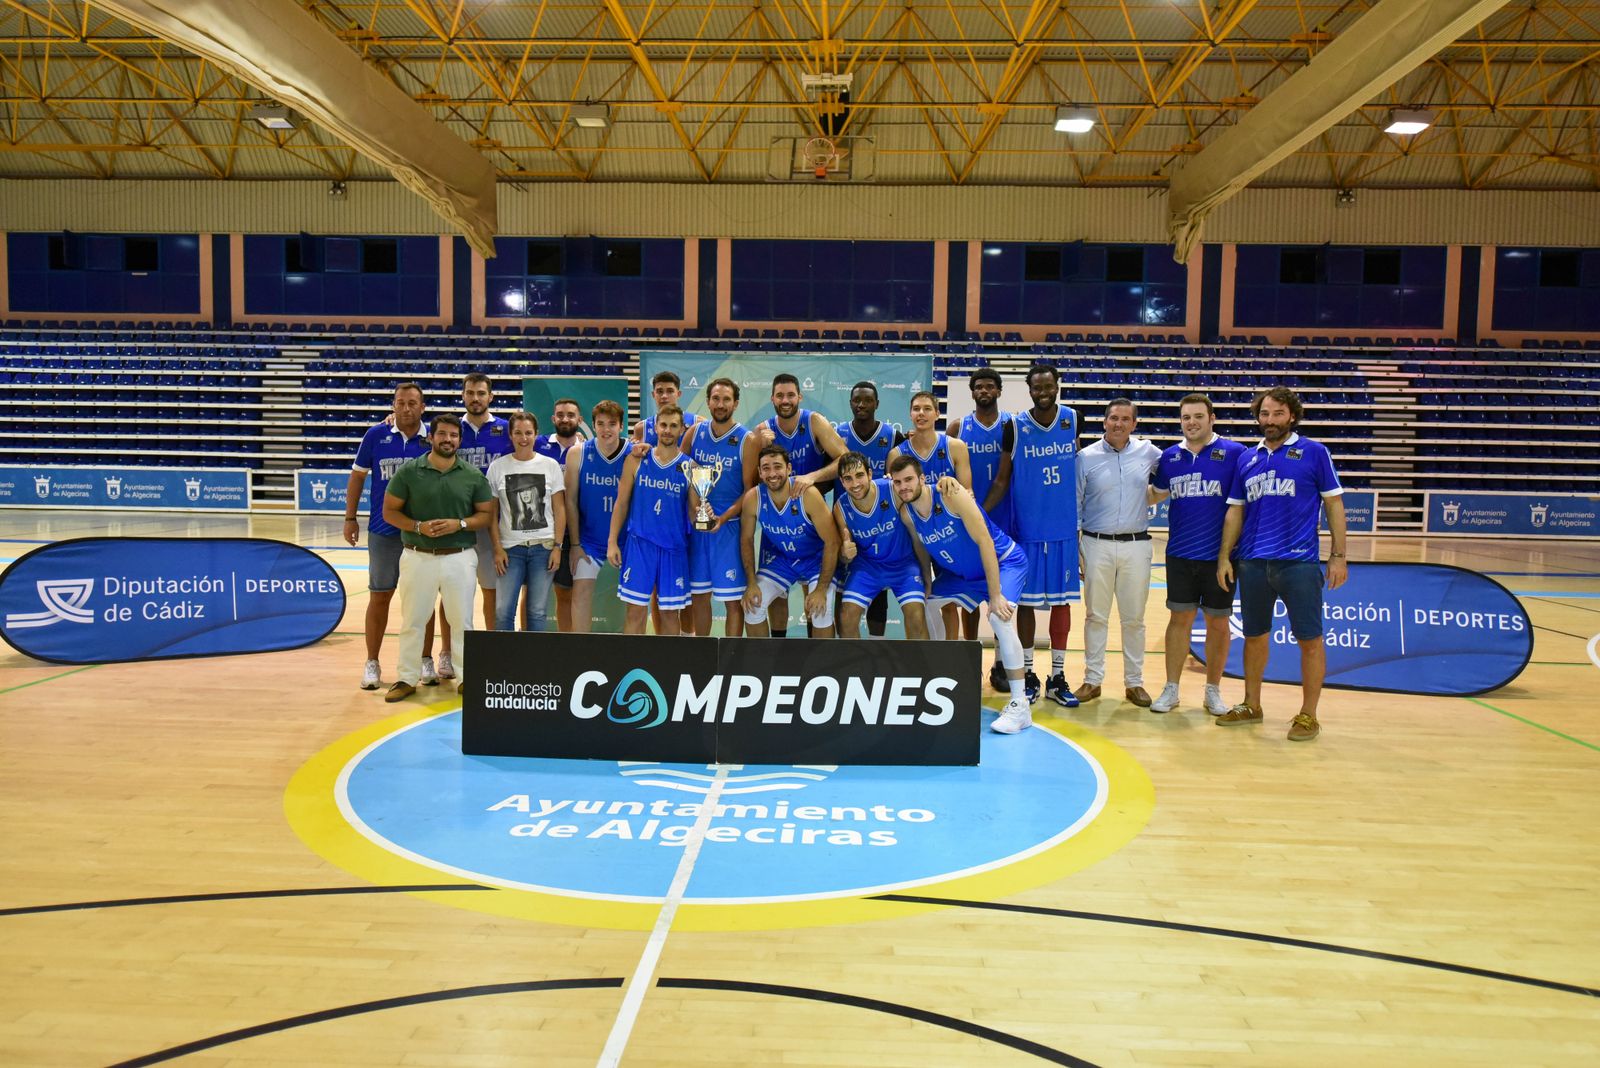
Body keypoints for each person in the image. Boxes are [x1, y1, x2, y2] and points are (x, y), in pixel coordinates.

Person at [1216, 387, 1348, 742]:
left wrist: (1338, 555)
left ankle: (1308, 715)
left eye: (1277, 414)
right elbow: (1235, 511)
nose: (1270, 421)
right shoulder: (1247, 459)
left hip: (1299, 564)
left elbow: (1334, 505)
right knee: (1254, 636)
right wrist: (1225, 556)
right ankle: (1251, 704)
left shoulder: (1315, 453)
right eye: (1264, 414)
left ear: (1292, 415)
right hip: (1254, 563)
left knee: (1310, 639)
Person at [889, 455, 1031, 733]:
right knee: (925, 603)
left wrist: (995, 595)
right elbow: (920, 547)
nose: (903, 486)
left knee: (999, 619)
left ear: (921, 478)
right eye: (897, 482)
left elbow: (985, 542)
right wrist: (927, 582)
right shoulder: (907, 513)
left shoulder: (951, 495)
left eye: (908, 479)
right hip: (965, 576)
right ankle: (942, 672)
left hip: (1004, 563)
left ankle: (1020, 704)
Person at [983, 363, 1081, 708]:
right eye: (1036, 388)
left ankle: (1057, 676)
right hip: (1027, 529)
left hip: (1063, 530)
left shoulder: (1072, 419)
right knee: (1024, 605)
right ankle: (1027, 674)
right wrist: (978, 513)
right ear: (1028, 390)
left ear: (1057, 385)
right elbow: (1001, 479)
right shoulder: (1015, 426)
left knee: (1061, 602)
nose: (1042, 392)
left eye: (1047, 386)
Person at [380, 414, 495, 702]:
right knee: (413, 620)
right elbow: (390, 512)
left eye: (453, 435)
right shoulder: (408, 471)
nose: (448, 439)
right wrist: (418, 527)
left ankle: (467, 678)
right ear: (431, 438)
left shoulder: (472, 475)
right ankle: (406, 678)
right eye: (442, 434)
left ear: (459, 439)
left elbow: (485, 514)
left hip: (459, 556)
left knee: (462, 622)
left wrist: (461, 524)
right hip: (418, 556)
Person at [1148, 394, 1247, 715]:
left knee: (1219, 623)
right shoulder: (1170, 458)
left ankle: (1213, 690)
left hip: (1221, 557)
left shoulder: (1235, 454)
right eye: (1186, 417)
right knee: (1179, 621)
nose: (1191, 422)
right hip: (1179, 554)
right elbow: (1155, 494)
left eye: (1198, 416)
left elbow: (1245, 503)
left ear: (1212, 418)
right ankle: (1171, 689)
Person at [344, 382, 442, 690]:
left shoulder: (432, 438)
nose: (407, 408)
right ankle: (372, 662)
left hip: (421, 533)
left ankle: (426, 659)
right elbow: (358, 476)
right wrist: (350, 518)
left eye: (413, 403)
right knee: (380, 596)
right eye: (401, 402)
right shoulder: (376, 435)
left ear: (422, 407)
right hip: (383, 531)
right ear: (393, 405)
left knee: (423, 600)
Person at [1075, 399, 1162, 707]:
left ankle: (1134, 683)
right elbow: (1075, 504)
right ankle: (1092, 680)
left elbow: (1167, 481)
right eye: (1114, 418)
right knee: (1095, 616)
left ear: (1134, 424)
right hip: (1095, 543)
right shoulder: (1085, 457)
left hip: (1137, 545)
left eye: (1126, 419)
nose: (1119, 423)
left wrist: (1151, 496)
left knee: (1134, 619)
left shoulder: (1149, 452)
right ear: (1105, 421)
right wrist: (1077, 547)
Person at [752, 374, 848, 635]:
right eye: (780, 395)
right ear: (772, 398)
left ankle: (811, 649)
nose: (785, 400)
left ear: (799, 397)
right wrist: (760, 447)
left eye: (790, 395)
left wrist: (812, 477)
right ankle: (780, 647)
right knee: (777, 595)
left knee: (815, 591)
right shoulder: (763, 430)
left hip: (808, 513)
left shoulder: (814, 422)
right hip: (777, 519)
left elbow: (845, 460)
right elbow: (752, 481)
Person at [608, 405, 697, 635]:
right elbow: (621, 503)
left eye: (673, 426)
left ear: (682, 430)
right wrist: (612, 542)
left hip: (673, 549)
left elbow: (694, 514)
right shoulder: (637, 459)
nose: (667, 430)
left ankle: (668, 669)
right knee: (635, 612)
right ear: (655, 427)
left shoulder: (691, 467)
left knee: (669, 615)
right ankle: (632, 667)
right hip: (639, 546)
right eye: (663, 425)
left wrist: (705, 515)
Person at [681, 377, 756, 637]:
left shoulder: (747, 440)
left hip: (729, 529)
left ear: (735, 403)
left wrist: (721, 519)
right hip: (698, 529)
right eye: (715, 398)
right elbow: (683, 473)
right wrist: (695, 512)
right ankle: (703, 654)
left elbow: (749, 491)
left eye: (726, 399)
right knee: (699, 597)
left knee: (732, 602)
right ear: (708, 401)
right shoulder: (694, 433)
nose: (720, 404)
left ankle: (730, 659)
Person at [740, 444, 840, 639]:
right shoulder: (754, 497)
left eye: (777, 466)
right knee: (752, 607)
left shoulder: (807, 494)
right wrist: (751, 582)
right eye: (766, 468)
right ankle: (763, 666)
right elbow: (746, 540)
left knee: (821, 610)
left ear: (789, 468)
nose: (772, 473)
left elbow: (833, 542)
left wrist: (820, 589)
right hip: (783, 560)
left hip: (816, 561)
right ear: (759, 472)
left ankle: (823, 665)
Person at [896, 389, 972, 640]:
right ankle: (925, 661)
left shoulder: (956, 447)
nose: (921, 413)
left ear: (937, 413)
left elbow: (968, 493)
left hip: (947, 536)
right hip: (914, 537)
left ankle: (951, 656)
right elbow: (898, 500)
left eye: (927, 408)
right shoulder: (897, 454)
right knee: (917, 601)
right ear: (909, 414)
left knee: (949, 603)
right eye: (916, 409)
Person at [949, 368, 1015, 650]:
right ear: (972, 392)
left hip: (1004, 520)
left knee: (1004, 593)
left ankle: (1001, 659)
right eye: (979, 387)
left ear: (999, 391)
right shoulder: (957, 428)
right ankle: (969, 652)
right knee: (969, 594)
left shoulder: (1012, 425)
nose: (984, 391)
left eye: (990, 387)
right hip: (969, 524)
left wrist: (981, 514)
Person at [835, 381, 907, 637]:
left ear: (877, 404)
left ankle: (876, 645)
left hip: (882, 520)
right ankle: (843, 650)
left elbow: (901, 479)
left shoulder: (892, 435)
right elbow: (825, 475)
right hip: (847, 518)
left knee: (879, 591)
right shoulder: (838, 434)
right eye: (857, 400)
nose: (861, 405)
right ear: (850, 403)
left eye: (867, 400)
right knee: (842, 588)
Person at [833, 451, 929, 640]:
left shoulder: (893, 490)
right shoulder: (840, 507)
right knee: (846, 617)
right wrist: (845, 553)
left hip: (903, 564)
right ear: (842, 482)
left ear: (870, 474)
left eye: (860, 475)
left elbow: (923, 494)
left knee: (916, 617)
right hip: (867, 567)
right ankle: (857, 669)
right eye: (848, 479)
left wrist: (946, 483)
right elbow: (844, 552)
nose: (855, 484)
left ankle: (919, 669)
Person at [486, 412, 566, 632]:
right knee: (503, 612)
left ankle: (534, 665)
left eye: (528, 433)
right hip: (510, 550)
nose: (524, 438)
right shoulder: (497, 467)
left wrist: (558, 547)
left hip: (544, 548)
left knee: (537, 612)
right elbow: (491, 514)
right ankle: (505, 664)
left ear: (536, 434)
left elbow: (559, 509)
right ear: (510, 435)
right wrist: (497, 548)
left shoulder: (549, 466)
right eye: (518, 433)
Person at [565, 399, 629, 633]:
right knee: (580, 592)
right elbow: (570, 501)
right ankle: (581, 652)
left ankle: (635, 653)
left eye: (612, 424)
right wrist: (575, 544)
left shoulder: (634, 454)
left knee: (635, 600)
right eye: (600, 424)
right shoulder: (577, 453)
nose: (606, 430)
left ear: (621, 426)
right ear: (593, 425)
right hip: (589, 541)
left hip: (626, 541)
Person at [455, 372, 513, 630]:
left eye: (481, 393)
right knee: (454, 592)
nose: (475, 398)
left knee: (491, 589)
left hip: (495, 522)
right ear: (462, 395)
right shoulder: (452, 429)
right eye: (470, 393)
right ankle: (447, 652)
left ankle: (492, 645)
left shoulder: (507, 429)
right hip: (458, 520)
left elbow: (536, 443)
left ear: (490, 396)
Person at [536, 397, 586, 631]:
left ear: (580, 420)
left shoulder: (590, 449)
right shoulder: (537, 444)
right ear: (553, 419)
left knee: (578, 593)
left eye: (571, 415)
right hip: (545, 528)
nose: (565, 419)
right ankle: (559, 644)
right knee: (548, 592)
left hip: (580, 530)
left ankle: (576, 643)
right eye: (561, 415)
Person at [633, 371, 699, 446]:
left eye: (670, 391)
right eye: (660, 391)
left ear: (678, 394)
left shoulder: (697, 423)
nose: (664, 396)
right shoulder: (641, 428)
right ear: (653, 394)